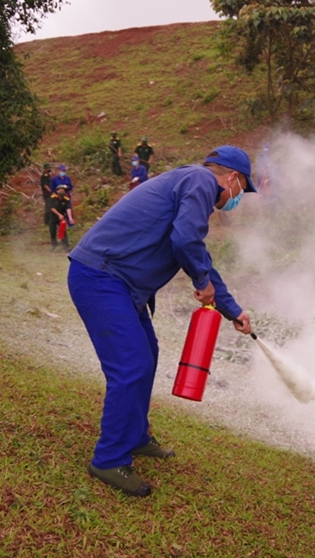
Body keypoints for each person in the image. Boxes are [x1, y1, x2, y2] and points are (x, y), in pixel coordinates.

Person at [67, 145, 256, 497]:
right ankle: (108, 459)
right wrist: (201, 284)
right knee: (132, 364)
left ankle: (135, 436)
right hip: (102, 277)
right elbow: (186, 240)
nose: (236, 199)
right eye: (241, 189)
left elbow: (197, 253)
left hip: (122, 285)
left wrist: (233, 310)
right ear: (232, 178)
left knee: (147, 354)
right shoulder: (201, 180)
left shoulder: (188, 183)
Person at [47, 185, 74, 251]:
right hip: (53, 216)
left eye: (63, 190)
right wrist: (59, 215)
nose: (62, 191)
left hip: (61, 218)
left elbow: (68, 209)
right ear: (57, 191)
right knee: (52, 230)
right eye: (60, 190)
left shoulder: (66, 199)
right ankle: (54, 245)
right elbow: (52, 208)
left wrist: (70, 218)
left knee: (62, 230)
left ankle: (65, 246)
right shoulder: (53, 198)